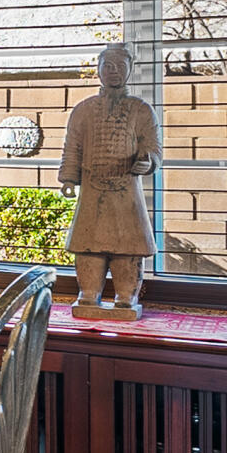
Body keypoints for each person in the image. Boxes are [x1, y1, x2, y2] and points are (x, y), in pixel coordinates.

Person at [57, 41, 157, 316]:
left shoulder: (141, 110)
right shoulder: (84, 110)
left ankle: (126, 297)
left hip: (127, 191)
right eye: (108, 66)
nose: (114, 71)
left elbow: (152, 148)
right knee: (88, 247)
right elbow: (72, 147)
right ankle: (88, 295)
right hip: (92, 188)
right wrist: (68, 178)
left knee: (128, 247)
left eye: (120, 66)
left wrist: (147, 162)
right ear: (98, 70)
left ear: (130, 70)